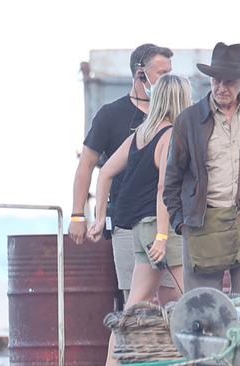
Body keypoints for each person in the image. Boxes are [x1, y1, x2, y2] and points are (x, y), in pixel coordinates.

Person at [164, 42, 240, 294]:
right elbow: (172, 179)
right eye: (216, 80)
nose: (221, 88)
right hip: (204, 222)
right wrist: (181, 223)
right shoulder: (189, 120)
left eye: (229, 82)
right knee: (203, 309)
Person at [88, 74, 191, 366]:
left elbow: (105, 171)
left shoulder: (140, 134)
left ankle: (113, 363)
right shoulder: (171, 134)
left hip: (138, 229)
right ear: (180, 101)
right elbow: (163, 188)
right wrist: (161, 236)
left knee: (132, 309)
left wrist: (99, 218)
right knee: (191, 305)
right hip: (161, 229)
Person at [68, 43, 173, 300]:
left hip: (167, 223)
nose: (168, 79)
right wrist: (78, 215)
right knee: (135, 303)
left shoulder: (174, 116)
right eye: (162, 73)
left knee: (174, 302)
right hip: (128, 223)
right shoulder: (111, 115)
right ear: (140, 74)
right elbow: (88, 165)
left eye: (170, 73)